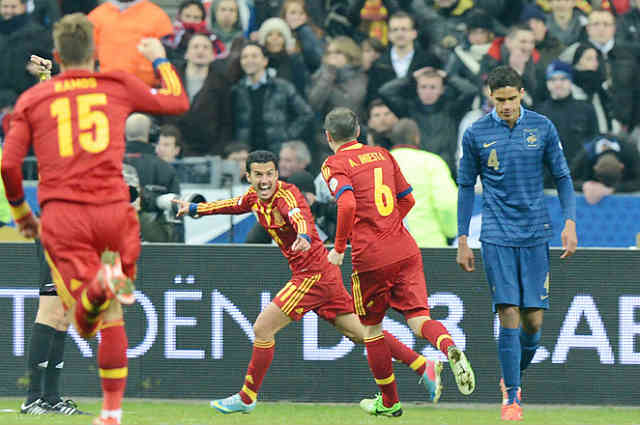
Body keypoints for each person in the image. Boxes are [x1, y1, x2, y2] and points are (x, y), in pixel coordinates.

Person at [0, 13, 189, 425]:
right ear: (96, 52)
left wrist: (21, 214)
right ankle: (61, 401)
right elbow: (175, 100)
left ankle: (46, 397)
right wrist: (159, 59)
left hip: (61, 218)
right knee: (64, 310)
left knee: (64, 310)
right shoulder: (115, 88)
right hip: (109, 214)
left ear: (57, 54)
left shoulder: (39, 99)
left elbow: (13, 159)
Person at [174, 150, 445, 415]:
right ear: (248, 177)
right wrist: (196, 208)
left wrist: (303, 233)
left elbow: (297, 214)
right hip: (324, 275)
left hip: (312, 275)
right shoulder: (254, 198)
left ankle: (247, 397)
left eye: (270, 173)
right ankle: (423, 365)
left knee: (262, 328)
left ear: (277, 174)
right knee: (362, 334)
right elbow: (231, 205)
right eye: (258, 175)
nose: (265, 180)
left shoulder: (287, 194)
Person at [321, 107, 475, 417]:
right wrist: (389, 225)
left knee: (372, 329)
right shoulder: (382, 154)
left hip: (371, 258)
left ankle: (389, 402)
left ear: (328, 137)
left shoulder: (334, 163)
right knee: (418, 318)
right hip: (405, 248)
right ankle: (447, 348)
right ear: (359, 131)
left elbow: (348, 201)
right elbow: (408, 199)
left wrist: (339, 247)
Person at [456, 65, 577, 421]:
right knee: (507, 311)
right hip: (496, 233)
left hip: (536, 231)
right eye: (499, 99)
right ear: (489, 98)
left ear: (521, 93)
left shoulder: (542, 127)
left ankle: (513, 376)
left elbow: (563, 176)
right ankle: (512, 398)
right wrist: (463, 238)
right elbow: (466, 187)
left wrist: (569, 222)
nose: (506, 105)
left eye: (511, 98)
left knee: (534, 322)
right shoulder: (476, 133)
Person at [389, 118, 457, 247]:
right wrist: (451, 232)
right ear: (417, 137)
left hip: (388, 248)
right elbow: (446, 204)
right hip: (429, 245)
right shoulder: (432, 162)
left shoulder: (379, 164)